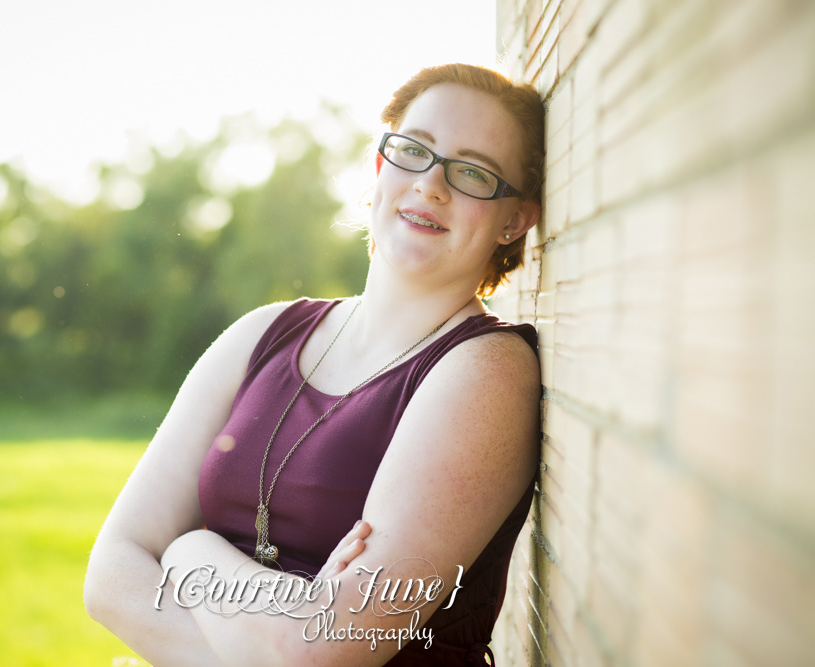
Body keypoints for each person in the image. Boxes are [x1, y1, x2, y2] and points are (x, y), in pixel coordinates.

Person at [84, 63, 545, 666]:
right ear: (380, 167)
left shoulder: (487, 371)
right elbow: (111, 574)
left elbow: (325, 651)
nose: (431, 185)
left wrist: (190, 552)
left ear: (514, 220)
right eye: (414, 151)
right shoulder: (262, 335)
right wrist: (287, 622)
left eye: (473, 172)